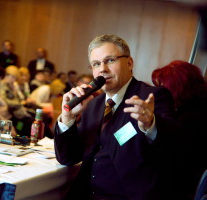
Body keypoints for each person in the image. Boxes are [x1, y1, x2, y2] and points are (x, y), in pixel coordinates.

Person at [54, 34, 182, 200]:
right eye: (96, 64)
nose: (102, 69)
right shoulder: (93, 105)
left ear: (129, 63)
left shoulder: (151, 96)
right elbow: (68, 157)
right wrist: (67, 118)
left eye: (110, 60)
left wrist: (151, 124)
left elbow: (175, 148)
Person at [152, 61, 207, 199]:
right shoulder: (192, 112)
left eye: (162, 88)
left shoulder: (189, 120)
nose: (156, 93)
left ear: (177, 88)